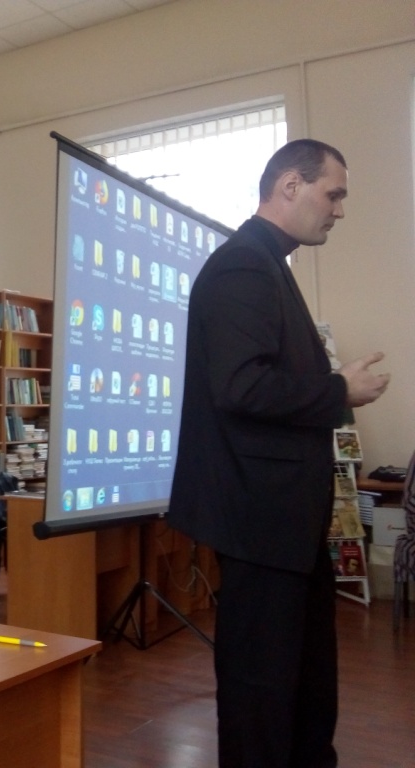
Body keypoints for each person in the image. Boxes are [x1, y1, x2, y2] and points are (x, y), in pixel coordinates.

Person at [167, 139, 390, 768]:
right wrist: (339, 390)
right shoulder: (243, 265)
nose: (339, 210)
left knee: (304, 677)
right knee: (261, 689)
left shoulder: (267, 263)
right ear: (290, 185)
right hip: (260, 520)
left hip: (283, 520)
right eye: (333, 194)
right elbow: (241, 387)